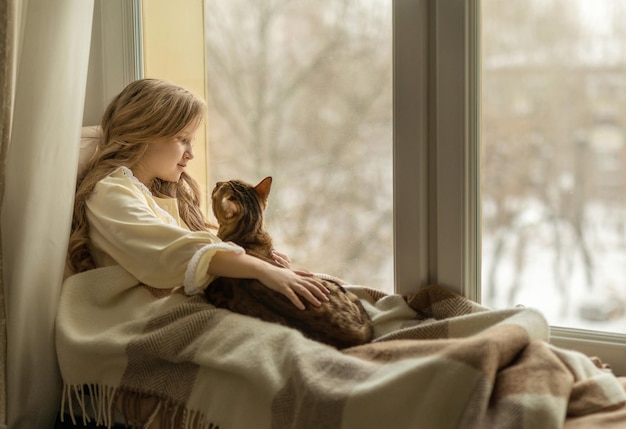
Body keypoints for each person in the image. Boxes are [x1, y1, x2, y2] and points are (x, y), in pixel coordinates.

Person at [67, 78, 329, 310]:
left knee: (326, 289)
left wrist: (256, 259)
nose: (191, 154)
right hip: (132, 322)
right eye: (182, 139)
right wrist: (259, 270)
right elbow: (172, 252)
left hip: (170, 308)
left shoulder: (158, 194)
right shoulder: (110, 194)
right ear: (142, 134)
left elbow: (194, 250)